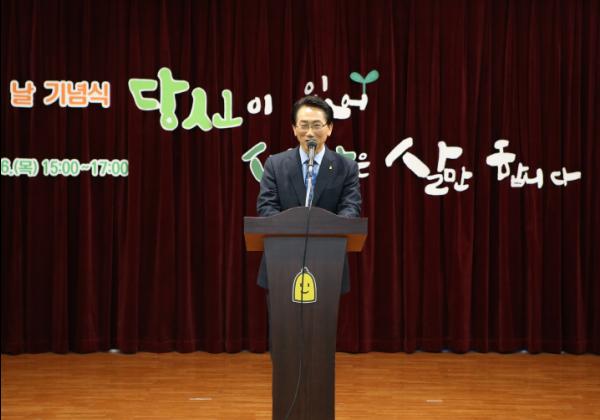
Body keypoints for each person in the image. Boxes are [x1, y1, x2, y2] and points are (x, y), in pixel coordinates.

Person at [256, 95, 362, 294]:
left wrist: (325, 230)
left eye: (317, 125)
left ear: (329, 128)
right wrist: (293, 230)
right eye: (304, 125)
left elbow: (351, 208)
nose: (310, 132)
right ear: (294, 129)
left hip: (329, 261)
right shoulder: (275, 164)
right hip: (282, 260)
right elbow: (266, 207)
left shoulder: (346, 167)